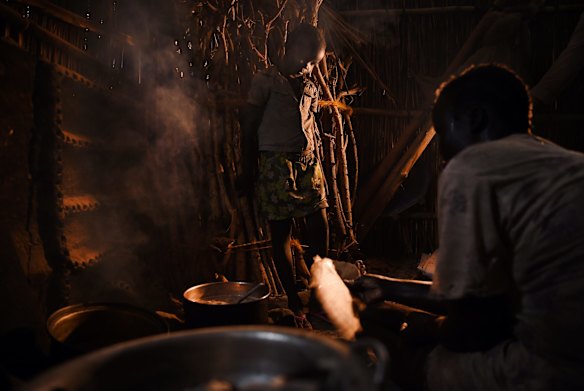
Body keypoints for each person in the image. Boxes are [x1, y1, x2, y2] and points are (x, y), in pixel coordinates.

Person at [350, 64, 584, 390]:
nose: (442, 148)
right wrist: (389, 287)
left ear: (473, 118)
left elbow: (473, 331)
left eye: (443, 131)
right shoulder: (564, 162)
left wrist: (424, 326)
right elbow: (493, 297)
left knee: (391, 349)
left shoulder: (473, 166)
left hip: (556, 370)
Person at [239, 23, 329, 329]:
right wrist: (247, 168)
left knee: (320, 224)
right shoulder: (266, 81)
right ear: (291, 48)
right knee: (282, 234)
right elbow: (249, 127)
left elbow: (311, 125)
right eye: (307, 59)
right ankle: (293, 300)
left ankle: (317, 295)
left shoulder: (310, 86)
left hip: (308, 161)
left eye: (314, 63)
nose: (309, 66)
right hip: (275, 163)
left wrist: (315, 155)